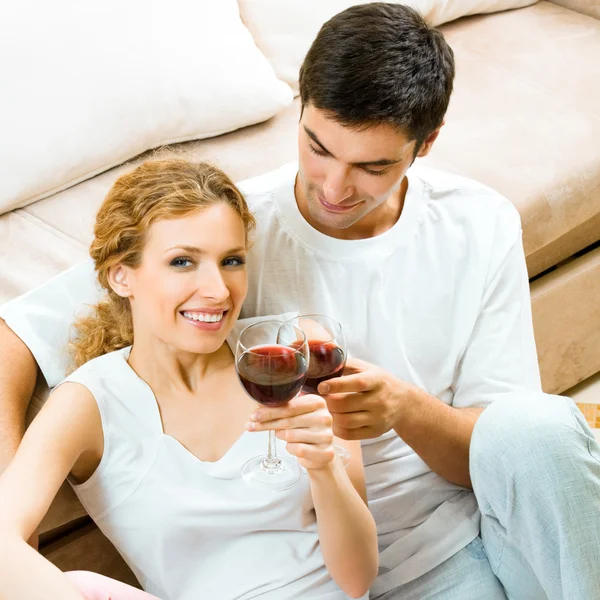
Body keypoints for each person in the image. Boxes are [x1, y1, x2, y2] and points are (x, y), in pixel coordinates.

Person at [1, 3, 599, 599]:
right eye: (317, 148)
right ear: (300, 109)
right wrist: (12, 523)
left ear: (427, 143)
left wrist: (404, 411)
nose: (334, 188)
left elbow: (507, 454)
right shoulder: (229, 228)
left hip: (451, 550)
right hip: (329, 564)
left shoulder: (478, 223)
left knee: (538, 424)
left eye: (371, 167)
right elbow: (15, 338)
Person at [0, 159, 378, 600]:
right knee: (79, 586)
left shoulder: (292, 354)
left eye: (231, 260)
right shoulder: (88, 403)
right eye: (183, 262)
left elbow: (359, 579)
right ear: (121, 275)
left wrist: (325, 466)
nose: (218, 290)